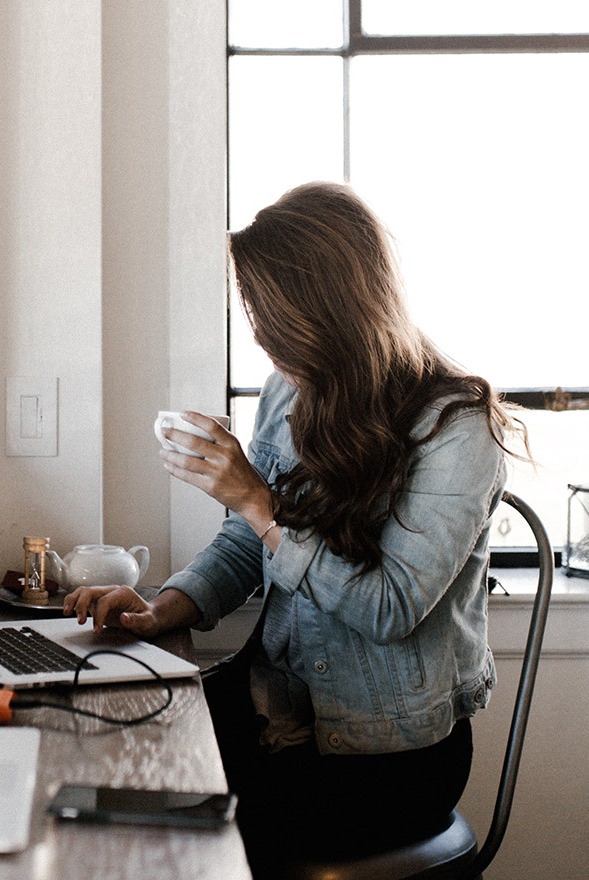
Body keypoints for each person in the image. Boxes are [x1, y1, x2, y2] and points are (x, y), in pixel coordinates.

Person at [63, 182, 526, 878]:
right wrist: (165, 608)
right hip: (274, 710)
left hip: (388, 757)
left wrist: (257, 501)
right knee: (93, 752)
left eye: (270, 314)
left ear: (331, 308)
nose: (259, 334)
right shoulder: (291, 389)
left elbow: (389, 608)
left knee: (165, 836)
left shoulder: (457, 427)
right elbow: (246, 543)